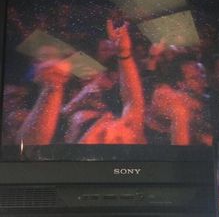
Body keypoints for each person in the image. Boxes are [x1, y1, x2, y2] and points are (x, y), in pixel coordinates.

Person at [16, 19, 146, 145]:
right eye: (43, 58)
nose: (52, 63)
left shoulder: (78, 71)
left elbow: (124, 97)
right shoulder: (28, 93)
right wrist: (76, 100)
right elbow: (30, 142)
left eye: (57, 57)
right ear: (34, 63)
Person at [146, 53, 212, 146]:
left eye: (202, 75)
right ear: (181, 84)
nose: (202, 81)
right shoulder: (166, 96)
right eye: (194, 78)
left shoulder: (205, 99)